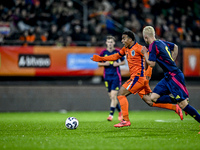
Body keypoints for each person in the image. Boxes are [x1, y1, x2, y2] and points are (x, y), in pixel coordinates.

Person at [91, 31, 183, 127]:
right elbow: (116, 56)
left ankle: (125, 120)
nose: (122, 41)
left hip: (138, 78)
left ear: (130, 39)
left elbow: (150, 60)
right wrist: (101, 58)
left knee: (121, 94)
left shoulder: (139, 48)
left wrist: (148, 73)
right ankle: (175, 106)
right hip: (138, 79)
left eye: (124, 38)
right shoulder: (125, 49)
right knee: (150, 101)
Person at [142, 26, 200, 123]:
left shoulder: (152, 45)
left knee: (183, 105)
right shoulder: (161, 42)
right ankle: (176, 100)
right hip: (168, 76)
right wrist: (171, 60)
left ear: (145, 37)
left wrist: (145, 53)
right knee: (153, 98)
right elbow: (175, 47)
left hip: (174, 76)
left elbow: (151, 64)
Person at [98, 35, 125, 121]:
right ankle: (120, 111)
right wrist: (104, 64)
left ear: (114, 43)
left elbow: (124, 61)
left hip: (116, 76)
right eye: (108, 42)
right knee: (112, 97)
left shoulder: (117, 52)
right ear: (106, 43)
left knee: (113, 96)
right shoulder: (103, 53)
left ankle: (111, 115)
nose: (110, 44)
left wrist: (118, 64)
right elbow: (98, 63)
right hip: (107, 77)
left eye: (111, 42)